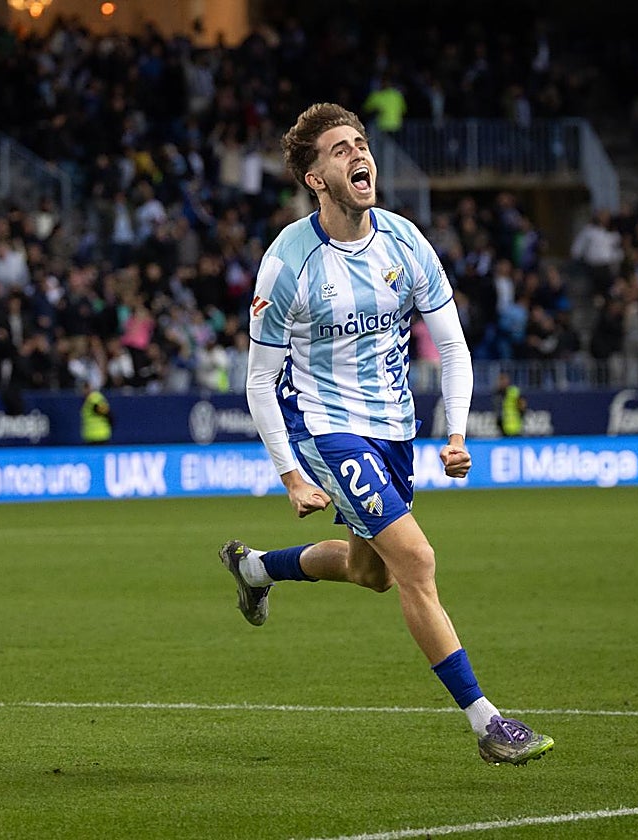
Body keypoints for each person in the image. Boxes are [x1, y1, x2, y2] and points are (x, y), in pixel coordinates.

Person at [219, 104, 553, 766]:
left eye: (361, 143)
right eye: (340, 150)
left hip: (392, 432)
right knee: (417, 563)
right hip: (326, 429)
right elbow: (259, 381)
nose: (358, 155)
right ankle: (487, 723)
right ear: (315, 177)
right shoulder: (288, 262)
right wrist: (290, 472)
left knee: (371, 571)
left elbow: (453, 346)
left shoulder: (403, 241)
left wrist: (455, 432)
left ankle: (254, 568)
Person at [80, 378, 113, 444]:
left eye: (85, 388)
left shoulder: (95, 400)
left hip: (99, 436)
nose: (83, 391)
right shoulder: (88, 400)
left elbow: (108, 414)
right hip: (91, 436)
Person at [494, 371, 526, 436]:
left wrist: (521, 413)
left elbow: (522, 404)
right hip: (503, 425)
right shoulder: (497, 393)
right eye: (500, 380)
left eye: (504, 380)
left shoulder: (513, 391)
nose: (502, 382)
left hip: (514, 425)